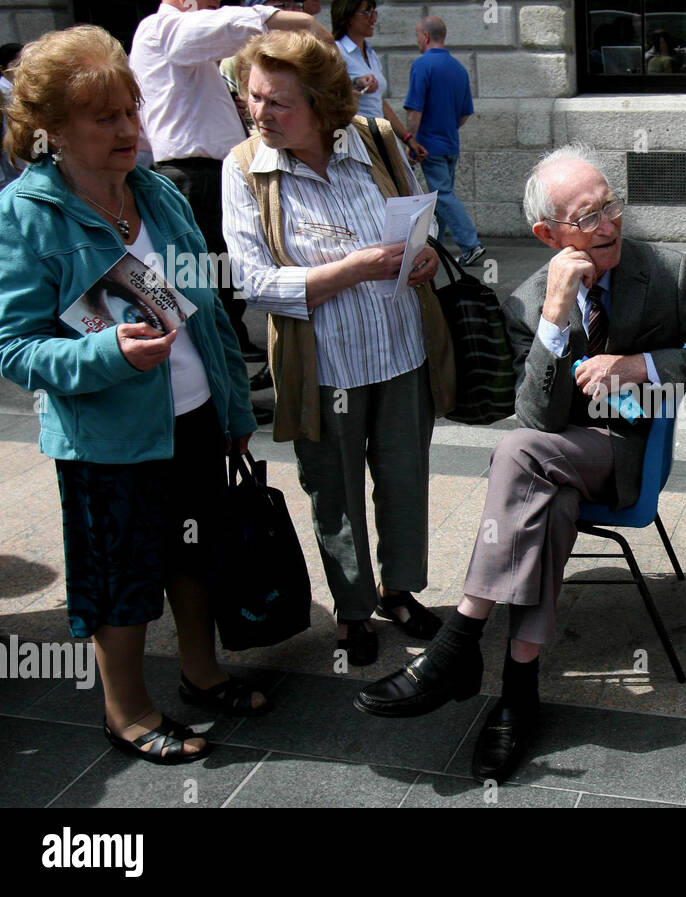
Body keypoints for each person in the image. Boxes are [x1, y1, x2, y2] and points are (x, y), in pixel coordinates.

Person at [355, 144, 686, 783]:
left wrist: (643, 365)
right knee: (540, 489)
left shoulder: (661, 272)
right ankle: (519, 693)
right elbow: (539, 418)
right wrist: (552, 315)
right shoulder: (523, 302)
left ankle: (458, 644)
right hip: (551, 464)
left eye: (612, 207)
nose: (610, 225)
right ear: (549, 234)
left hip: (621, 452)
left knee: (517, 455)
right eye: (589, 215)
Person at [0, 26, 264, 764]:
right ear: (52, 128)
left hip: (195, 417)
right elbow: (12, 347)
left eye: (130, 111)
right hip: (109, 440)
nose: (126, 129)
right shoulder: (25, 213)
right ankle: (128, 710)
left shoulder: (158, 190)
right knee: (123, 572)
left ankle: (202, 674)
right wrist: (105, 352)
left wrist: (234, 409)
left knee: (194, 552)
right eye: (103, 116)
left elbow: (206, 310)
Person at [222, 30, 455, 667]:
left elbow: (416, 220)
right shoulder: (244, 169)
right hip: (323, 370)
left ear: (323, 105)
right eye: (253, 98)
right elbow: (254, 284)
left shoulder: (376, 140)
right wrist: (350, 269)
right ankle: (352, 614)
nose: (260, 114)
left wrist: (424, 255)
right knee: (336, 495)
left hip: (402, 351)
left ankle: (399, 592)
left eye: (278, 103)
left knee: (404, 484)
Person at [130, 0, 331, 371]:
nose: (215, 5)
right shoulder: (161, 29)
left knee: (223, 281)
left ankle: (230, 370)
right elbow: (216, 28)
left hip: (203, 175)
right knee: (211, 284)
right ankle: (225, 382)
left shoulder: (181, 50)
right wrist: (281, 19)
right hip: (193, 178)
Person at [405, 15, 484, 266]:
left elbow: (415, 110)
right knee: (440, 197)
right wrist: (448, 128)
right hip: (451, 143)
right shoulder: (458, 68)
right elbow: (465, 113)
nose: (418, 41)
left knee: (444, 195)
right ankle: (434, 244)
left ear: (426, 37)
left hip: (429, 145)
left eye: (418, 36)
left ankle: (471, 245)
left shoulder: (422, 65)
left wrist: (411, 141)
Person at [331, 0, 425, 162]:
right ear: (348, 17)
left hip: (379, 136)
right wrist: (356, 84)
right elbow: (328, 92)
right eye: (367, 13)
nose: (373, 19)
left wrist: (407, 138)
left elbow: (379, 102)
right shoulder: (336, 51)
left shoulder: (371, 53)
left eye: (374, 13)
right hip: (354, 139)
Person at [0, 43, 23, 199]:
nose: (21, 68)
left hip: (25, 164)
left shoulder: (26, 90)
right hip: (6, 171)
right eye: (16, 64)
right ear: (2, 69)